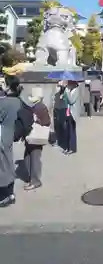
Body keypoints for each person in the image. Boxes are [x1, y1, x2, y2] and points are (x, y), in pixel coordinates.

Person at [0, 75, 22, 207]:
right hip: (10, 134)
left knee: (2, 166)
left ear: (8, 86)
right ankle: (10, 193)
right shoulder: (18, 100)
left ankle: (5, 196)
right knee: (8, 162)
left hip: (2, 135)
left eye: (3, 83)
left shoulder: (4, 102)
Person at [22, 91, 51, 191]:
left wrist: (36, 120)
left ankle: (35, 181)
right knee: (28, 158)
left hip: (36, 137)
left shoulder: (40, 107)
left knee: (34, 159)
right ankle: (32, 179)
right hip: (32, 138)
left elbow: (47, 122)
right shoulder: (36, 106)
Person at [62, 80, 81, 155]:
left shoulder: (76, 91)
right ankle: (67, 147)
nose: (68, 85)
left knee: (72, 132)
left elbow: (71, 100)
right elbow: (65, 99)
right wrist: (64, 93)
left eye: (69, 83)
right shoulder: (70, 90)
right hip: (68, 112)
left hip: (73, 114)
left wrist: (67, 92)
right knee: (67, 131)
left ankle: (72, 148)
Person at [52, 81, 68, 151]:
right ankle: (57, 141)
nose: (59, 87)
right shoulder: (57, 92)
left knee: (63, 126)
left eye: (60, 86)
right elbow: (54, 99)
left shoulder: (66, 93)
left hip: (63, 110)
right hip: (57, 109)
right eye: (58, 86)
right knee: (57, 126)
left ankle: (63, 141)